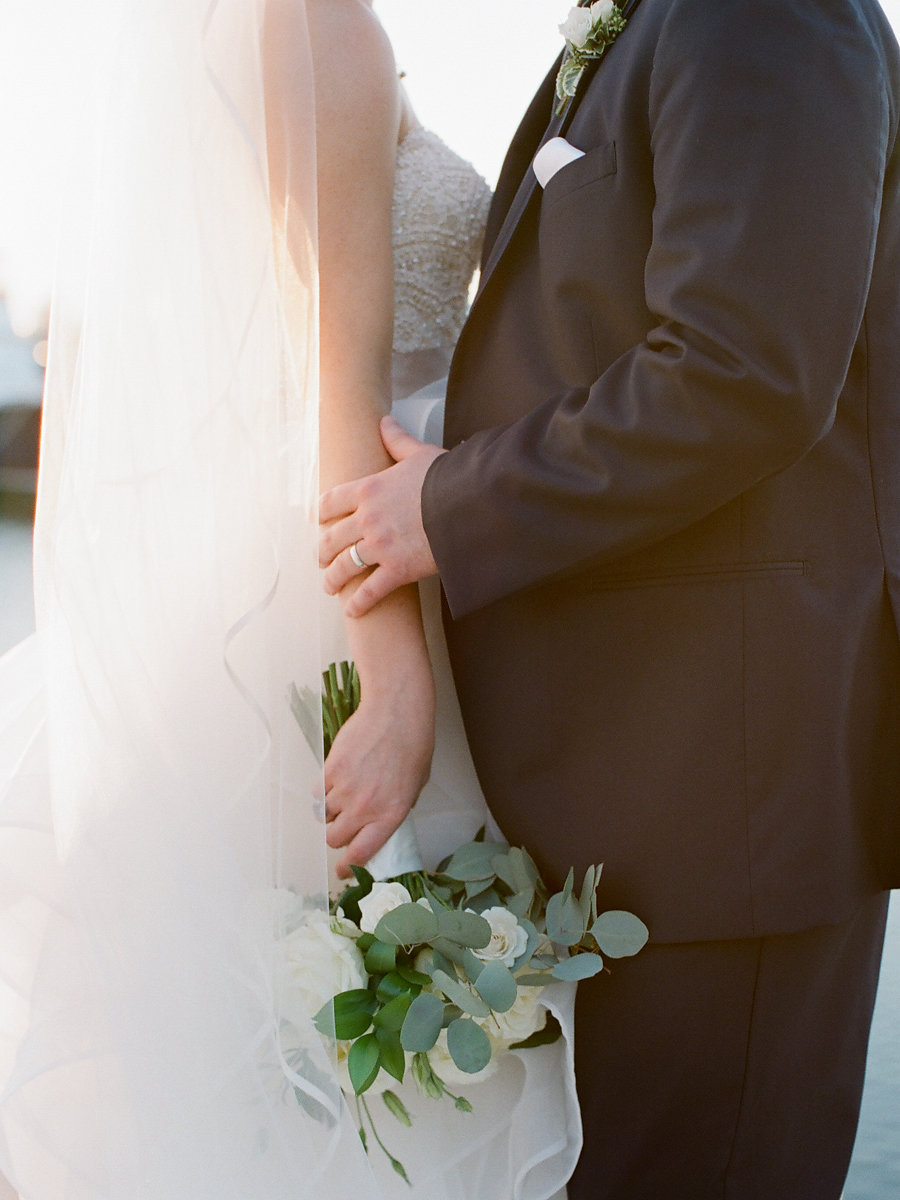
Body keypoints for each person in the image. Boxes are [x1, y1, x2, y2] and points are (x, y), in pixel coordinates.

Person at [317, 0, 900, 1196]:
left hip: (721, 800)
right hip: (614, 803)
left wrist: (448, 508)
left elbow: (747, 373)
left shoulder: (766, 15)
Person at [0, 1, 580, 1197]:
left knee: (262, 1045)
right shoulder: (314, 24)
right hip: (346, 591)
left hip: (276, 572)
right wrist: (396, 679)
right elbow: (339, 389)